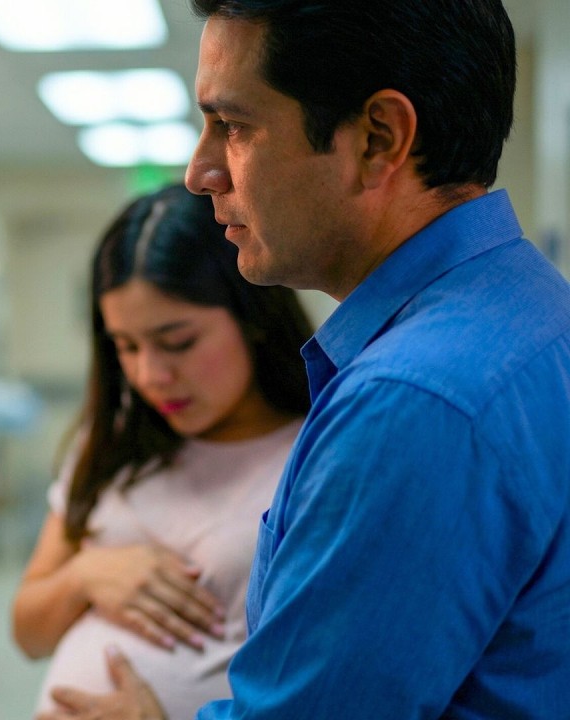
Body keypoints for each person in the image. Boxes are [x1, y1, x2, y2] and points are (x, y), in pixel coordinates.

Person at [45, 0, 570, 718]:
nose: (200, 172)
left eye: (233, 127)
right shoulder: (529, 308)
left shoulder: (413, 401)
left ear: (379, 138)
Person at [13, 185, 313, 720]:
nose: (151, 375)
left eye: (178, 342)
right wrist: (87, 575)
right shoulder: (116, 440)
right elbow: (29, 632)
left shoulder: (313, 455)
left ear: (253, 318)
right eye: (126, 346)